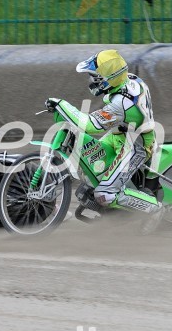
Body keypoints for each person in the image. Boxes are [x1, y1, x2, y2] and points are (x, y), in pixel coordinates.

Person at [49, 49, 164, 232]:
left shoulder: (121, 104)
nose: (91, 81)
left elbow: (89, 125)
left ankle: (154, 208)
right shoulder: (128, 79)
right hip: (121, 134)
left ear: (108, 78)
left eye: (95, 77)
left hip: (137, 145)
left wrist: (62, 105)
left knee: (104, 194)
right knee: (91, 164)